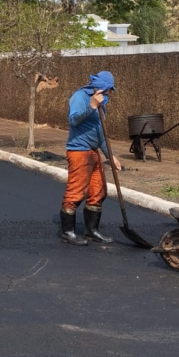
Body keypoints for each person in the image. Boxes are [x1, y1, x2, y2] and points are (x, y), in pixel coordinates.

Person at [61, 71, 122, 246]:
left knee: (98, 191)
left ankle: (91, 230)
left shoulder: (102, 102)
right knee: (76, 191)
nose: (110, 93)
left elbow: (101, 133)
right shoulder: (79, 97)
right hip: (79, 151)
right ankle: (68, 232)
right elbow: (74, 120)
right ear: (100, 87)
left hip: (94, 152)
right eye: (108, 89)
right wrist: (92, 106)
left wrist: (110, 156)